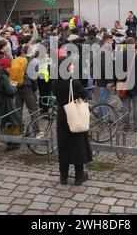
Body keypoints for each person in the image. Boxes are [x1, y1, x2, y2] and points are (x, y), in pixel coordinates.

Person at [52, 58, 92, 186]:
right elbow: (86, 94)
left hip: (62, 116)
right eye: (71, 65)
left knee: (63, 145)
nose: (73, 66)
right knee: (77, 145)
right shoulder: (73, 82)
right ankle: (79, 176)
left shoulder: (55, 82)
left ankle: (63, 176)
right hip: (74, 116)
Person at [0, 57, 21, 149]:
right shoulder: (4, 76)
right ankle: (14, 142)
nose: (10, 69)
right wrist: (14, 85)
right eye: (9, 67)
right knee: (12, 119)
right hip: (6, 102)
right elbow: (10, 91)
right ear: (5, 67)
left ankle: (7, 141)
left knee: (3, 121)